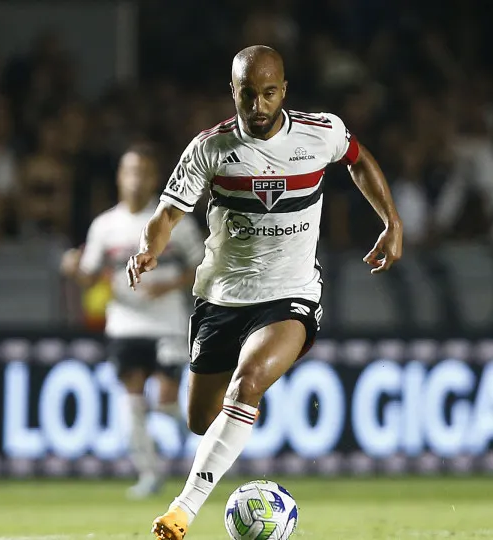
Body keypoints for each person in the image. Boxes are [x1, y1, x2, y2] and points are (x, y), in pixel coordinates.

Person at [127, 46, 403, 540]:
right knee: (201, 420)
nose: (259, 106)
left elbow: (358, 159)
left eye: (269, 93)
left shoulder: (321, 133)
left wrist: (391, 221)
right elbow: (167, 213)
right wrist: (150, 248)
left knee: (248, 382)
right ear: (232, 92)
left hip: (290, 294)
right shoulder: (211, 148)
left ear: (284, 90)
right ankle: (246, 407)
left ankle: (181, 512)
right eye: (248, 95)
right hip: (222, 297)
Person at [61, 144, 205, 498]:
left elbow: (203, 265)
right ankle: (150, 473)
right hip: (125, 322)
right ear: (119, 177)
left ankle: (195, 428)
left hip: (168, 322)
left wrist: (170, 284)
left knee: (166, 401)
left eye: (143, 172)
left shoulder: (174, 219)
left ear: (154, 178)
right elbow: (90, 275)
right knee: (133, 401)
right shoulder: (104, 226)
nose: (136, 179)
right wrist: (74, 269)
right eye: (130, 172)